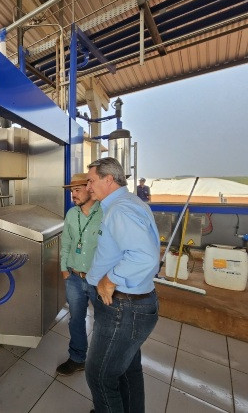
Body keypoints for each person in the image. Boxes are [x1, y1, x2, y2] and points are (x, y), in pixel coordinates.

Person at [85, 157, 160, 413]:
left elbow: (145, 256)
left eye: (91, 180)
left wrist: (108, 279)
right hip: (131, 305)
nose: (88, 186)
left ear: (109, 179)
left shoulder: (120, 210)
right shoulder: (127, 203)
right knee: (128, 370)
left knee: (100, 376)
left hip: (123, 308)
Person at [57, 173, 102, 376]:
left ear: (90, 189)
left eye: (77, 190)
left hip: (99, 280)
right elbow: (66, 243)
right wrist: (64, 270)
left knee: (103, 323)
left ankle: (102, 362)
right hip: (74, 277)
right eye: (71, 191)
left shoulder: (105, 212)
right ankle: (77, 358)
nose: (73, 195)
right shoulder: (71, 214)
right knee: (76, 319)